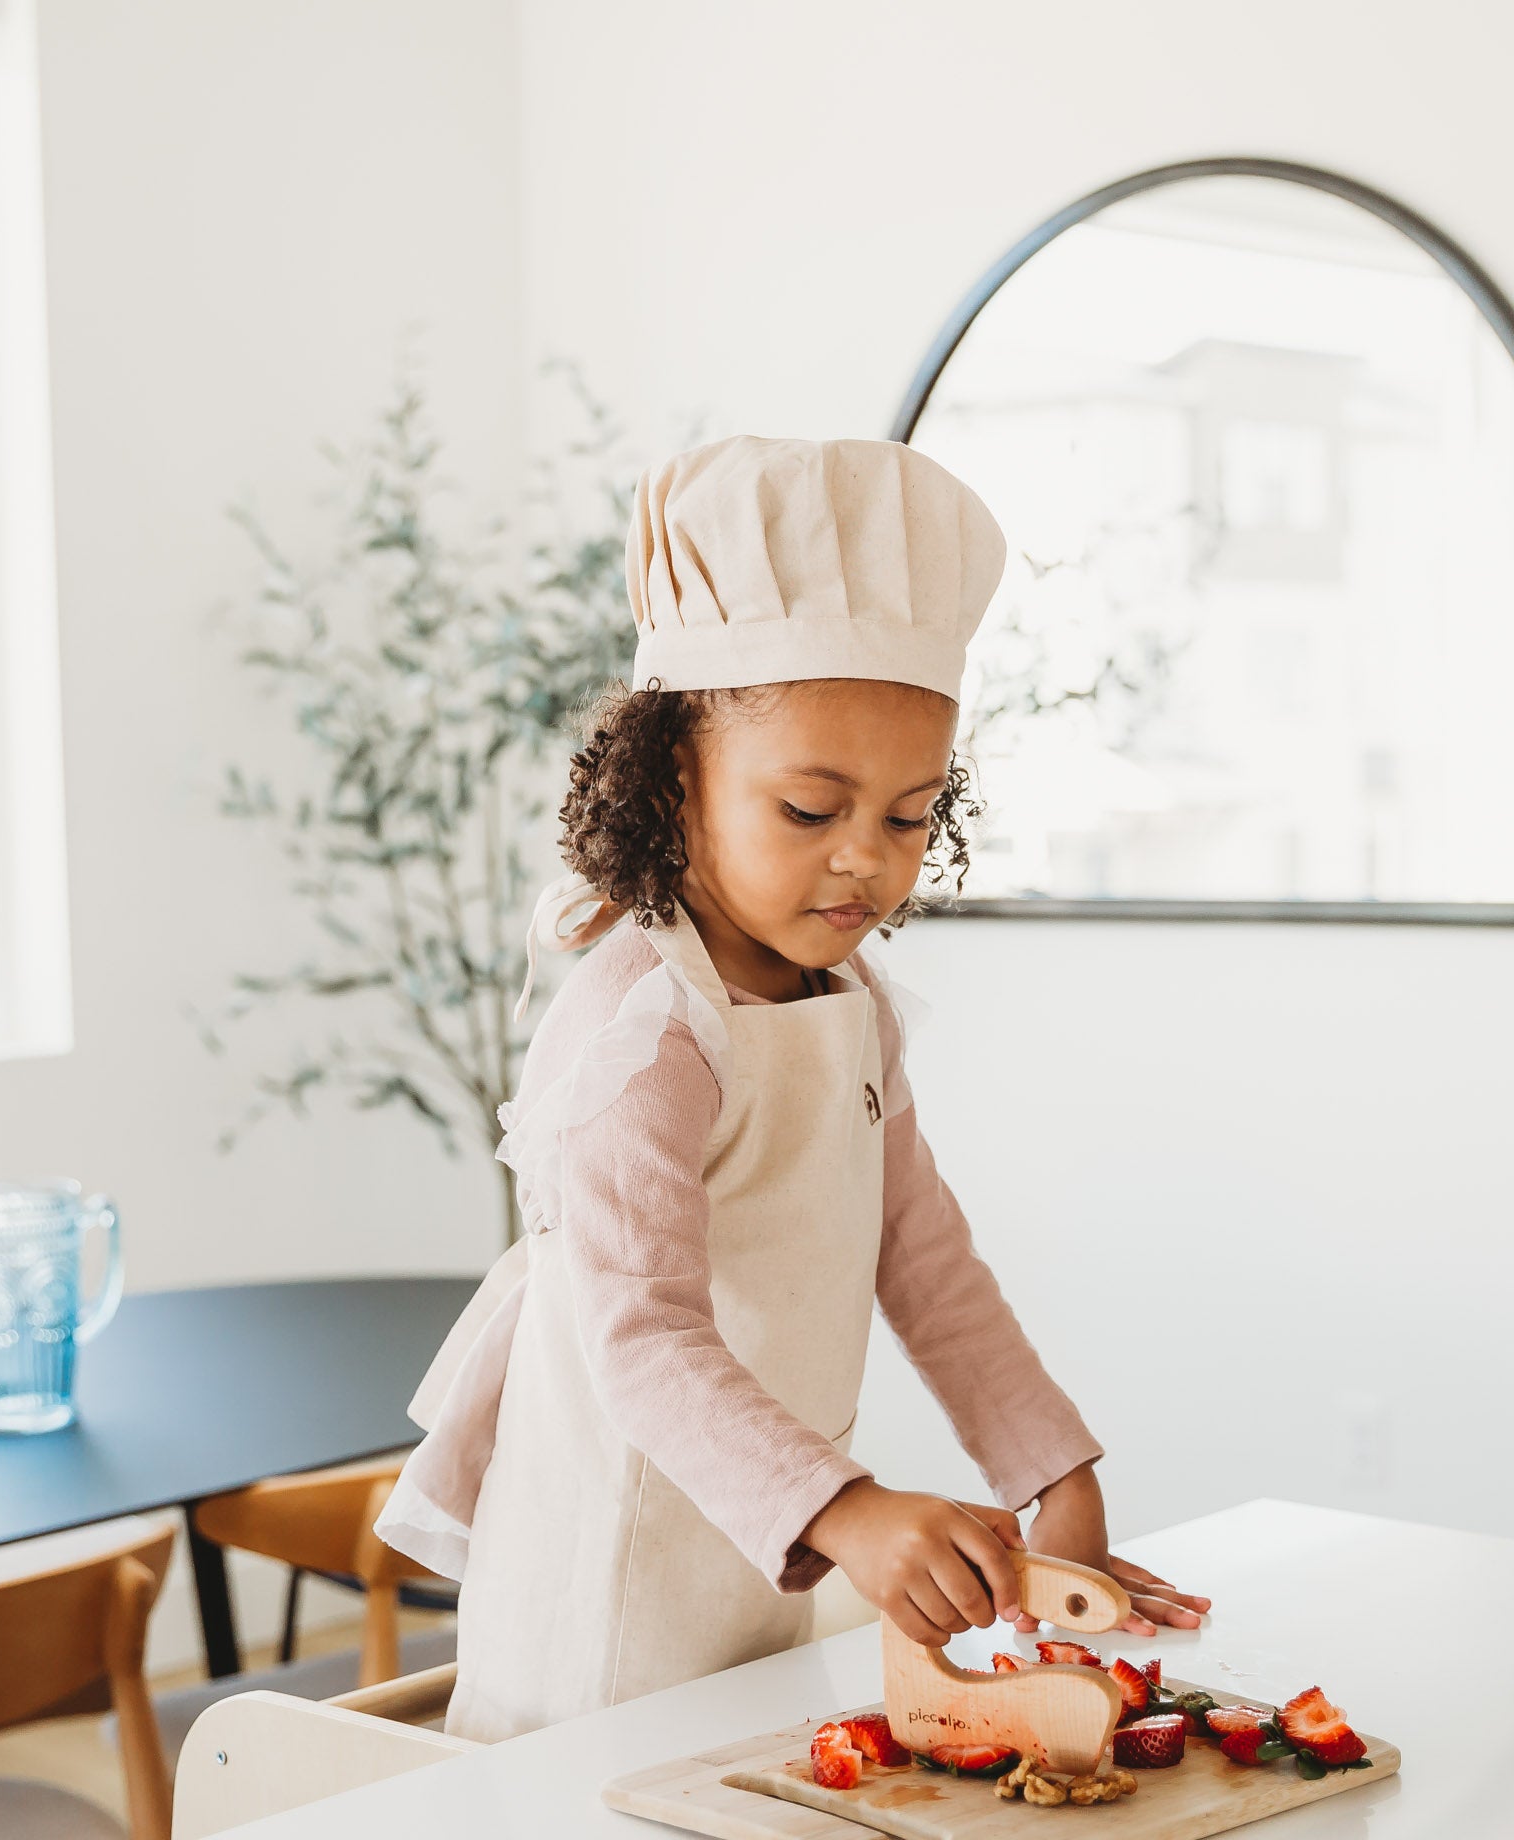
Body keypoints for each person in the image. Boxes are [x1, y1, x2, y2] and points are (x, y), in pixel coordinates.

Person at [377, 436, 1208, 1742]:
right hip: (610, 1576)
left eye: (906, 816)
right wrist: (849, 1509)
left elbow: (920, 1250)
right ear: (671, 780)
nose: (863, 865)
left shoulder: (851, 1002)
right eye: (810, 810)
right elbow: (642, 1337)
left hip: (762, 1542)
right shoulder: (642, 1029)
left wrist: (1054, 1470)